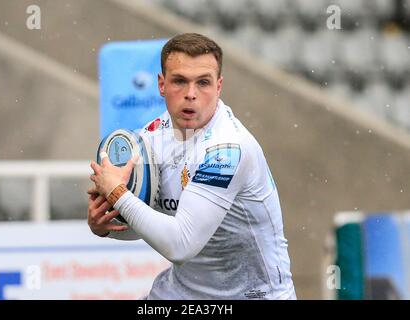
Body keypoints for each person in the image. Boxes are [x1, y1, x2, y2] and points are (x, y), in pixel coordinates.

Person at [88, 33, 296, 300]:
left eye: (203, 83)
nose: (191, 94)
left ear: (219, 86)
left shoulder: (227, 150)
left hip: (252, 295)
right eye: (179, 81)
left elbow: (180, 245)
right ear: (161, 84)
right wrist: (105, 226)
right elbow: (148, 222)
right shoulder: (150, 138)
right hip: (181, 293)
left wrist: (118, 194)